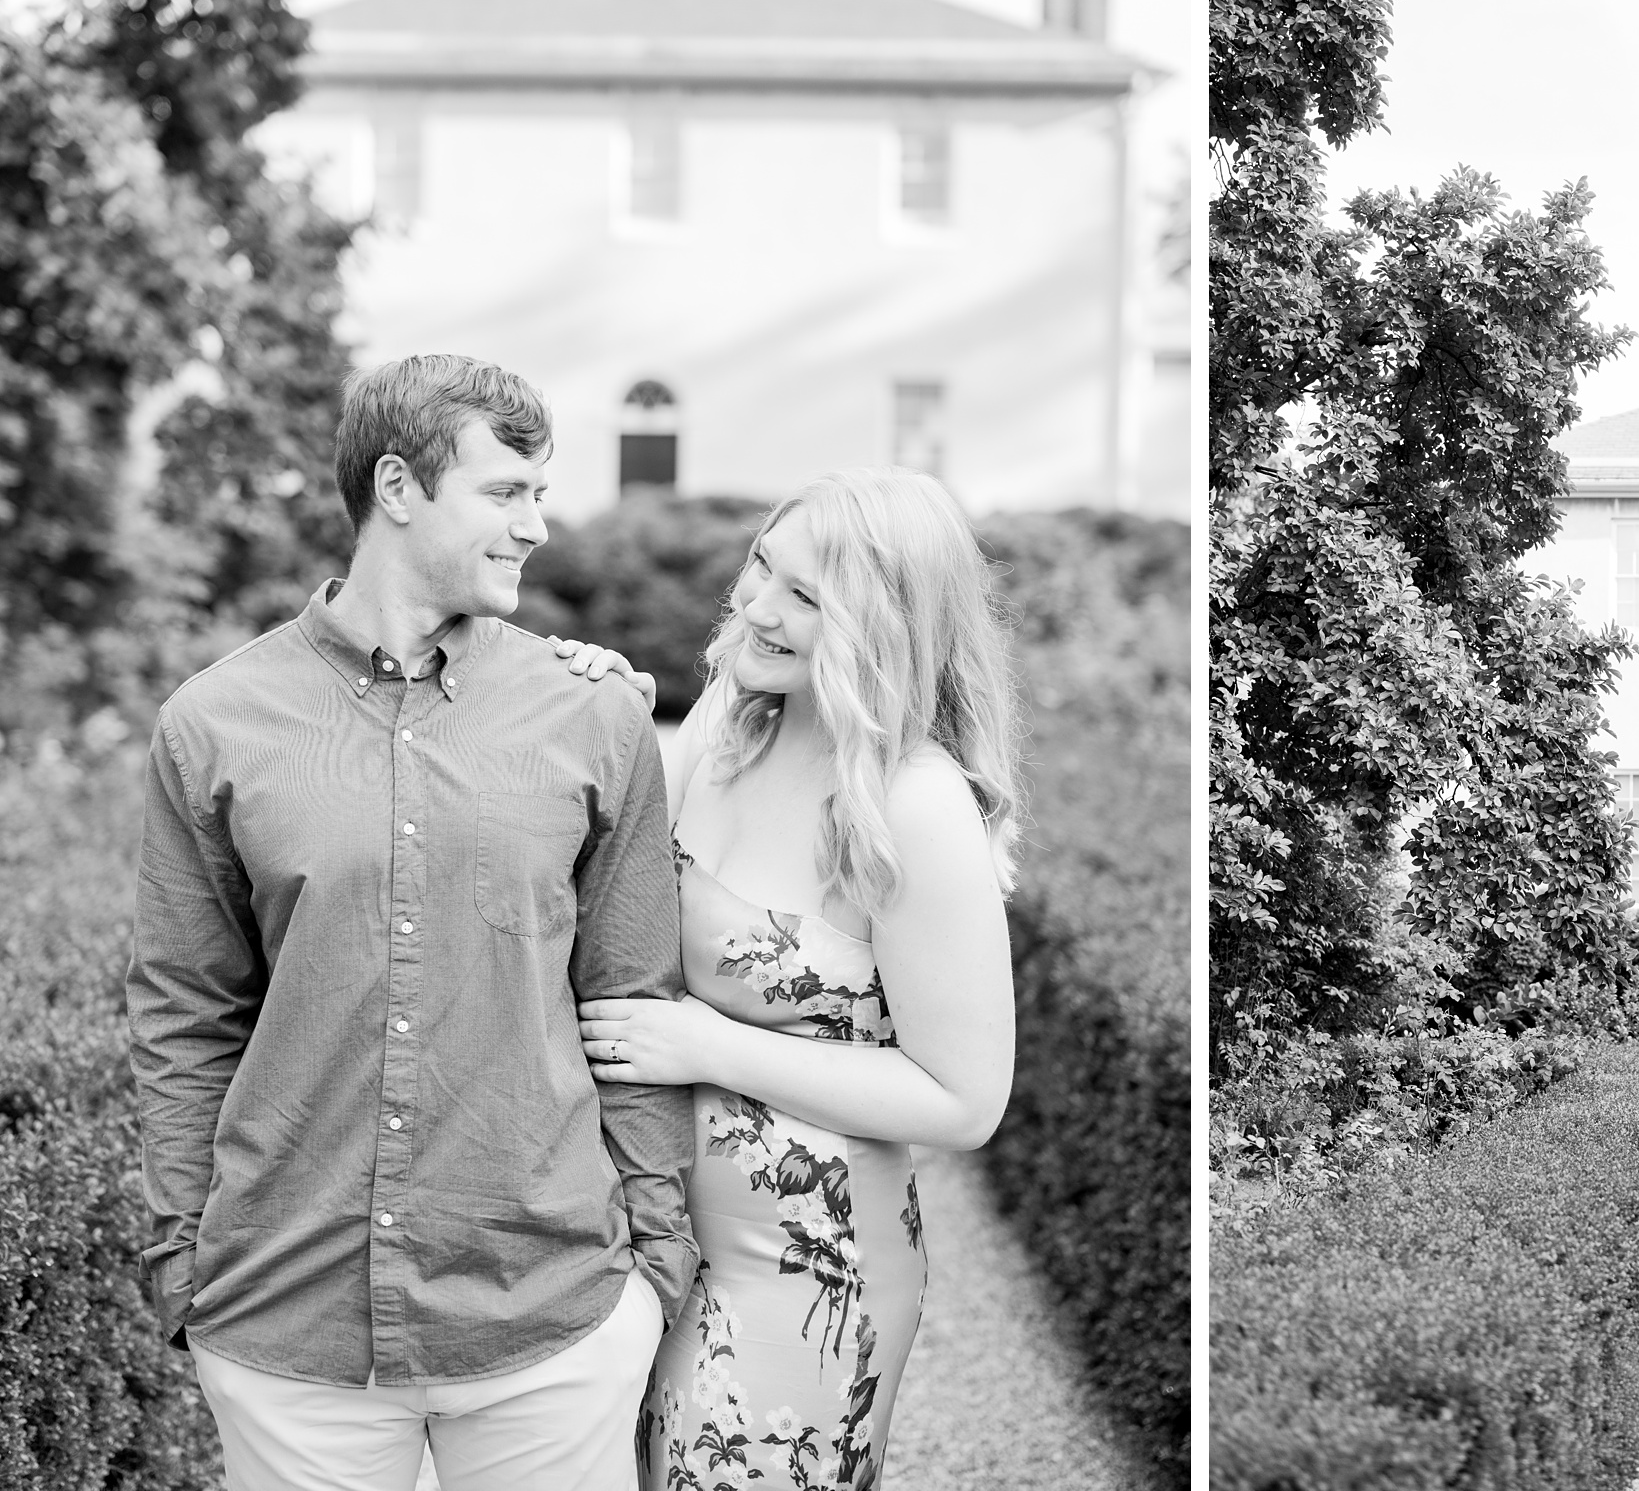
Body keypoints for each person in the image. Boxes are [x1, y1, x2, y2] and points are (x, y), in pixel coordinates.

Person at [125, 355, 698, 1491]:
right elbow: (186, 1012)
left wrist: (655, 1266)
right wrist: (181, 1258)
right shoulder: (211, 723)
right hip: (289, 1327)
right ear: (397, 486)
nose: (538, 526)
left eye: (540, 492)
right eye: (507, 492)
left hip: (552, 1318)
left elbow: (635, 1001)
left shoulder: (593, 714)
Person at [564, 467, 1018, 1491]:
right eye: (765, 567)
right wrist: (589, 713)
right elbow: (603, 897)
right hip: (644, 1238)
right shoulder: (727, 724)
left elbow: (965, 1098)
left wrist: (709, 1044)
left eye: (809, 597)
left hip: (807, 1271)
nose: (759, 607)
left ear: (886, 627)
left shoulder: (915, 803)